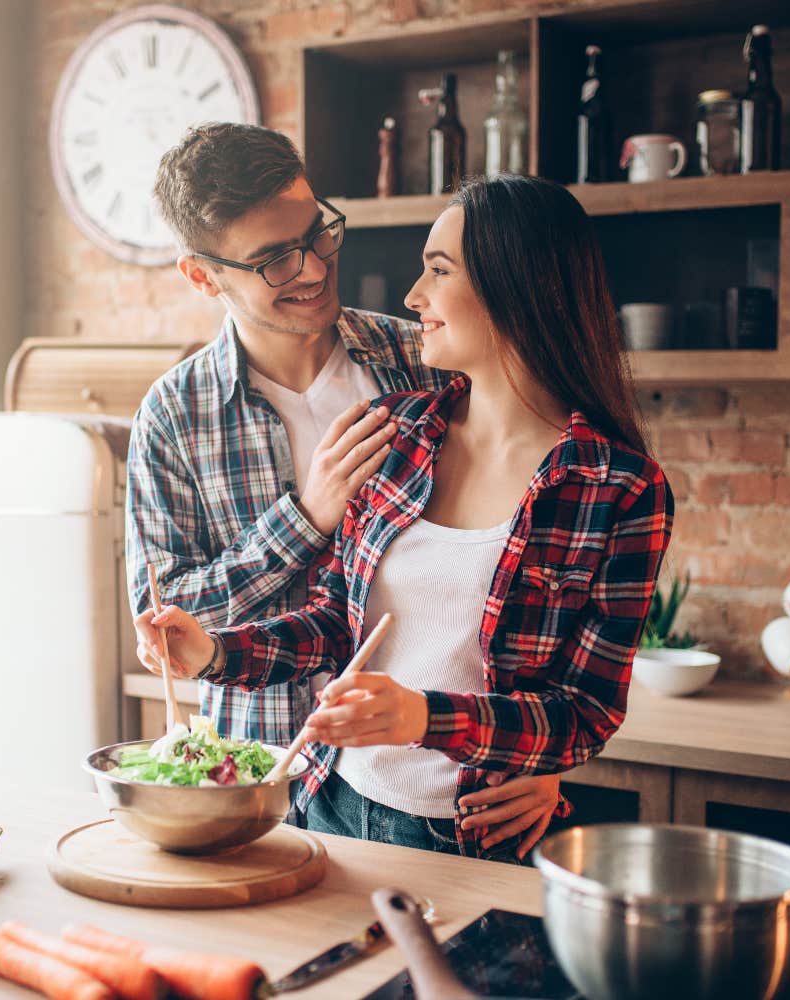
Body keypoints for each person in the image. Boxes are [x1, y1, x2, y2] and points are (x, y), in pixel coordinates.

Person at [133, 173, 674, 862]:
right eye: (274, 256)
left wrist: (424, 718)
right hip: (329, 803)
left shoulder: (619, 489)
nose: (413, 296)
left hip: (472, 832)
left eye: (438, 271)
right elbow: (336, 623)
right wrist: (214, 653)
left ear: (518, 287)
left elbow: (587, 711)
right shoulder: (400, 431)